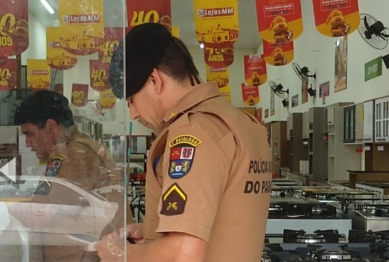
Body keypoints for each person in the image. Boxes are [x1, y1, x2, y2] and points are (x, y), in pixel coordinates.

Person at [92, 22, 272, 262]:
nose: (133, 113)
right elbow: (225, 221)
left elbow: (183, 254)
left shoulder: (193, 134)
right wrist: (151, 234)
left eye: (132, 100)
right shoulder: (243, 123)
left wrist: (118, 254)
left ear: (155, 81)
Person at [13, 90, 133, 262]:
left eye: (29, 134)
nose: (28, 143)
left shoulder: (70, 155)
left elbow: (40, 213)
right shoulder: (86, 146)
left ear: (51, 127)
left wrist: (6, 210)